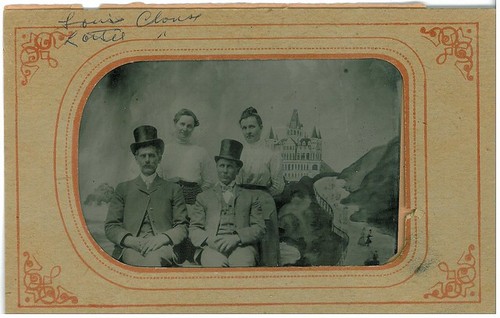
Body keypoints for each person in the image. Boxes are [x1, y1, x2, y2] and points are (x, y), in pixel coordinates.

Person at [105, 125, 189, 267]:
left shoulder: (174, 189)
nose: (147, 160)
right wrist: (130, 240)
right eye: (143, 156)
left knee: (153, 261)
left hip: (162, 247)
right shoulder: (123, 188)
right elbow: (111, 226)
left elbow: (182, 227)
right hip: (131, 247)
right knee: (135, 262)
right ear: (136, 159)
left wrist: (163, 238)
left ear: (159, 158)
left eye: (152, 155)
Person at [189, 139, 265, 267]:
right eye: (221, 166)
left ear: (237, 170)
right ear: (217, 167)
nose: (225, 170)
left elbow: (260, 228)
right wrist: (209, 240)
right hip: (212, 246)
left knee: (242, 263)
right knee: (216, 265)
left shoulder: (251, 197)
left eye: (229, 166)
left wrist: (237, 238)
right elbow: (194, 229)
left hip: (242, 247)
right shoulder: (203, 197)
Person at [237, 107, 284, 266]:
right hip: (241, 202)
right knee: (244, 249)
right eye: (244, 128)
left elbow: (278, 186)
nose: (248, 131)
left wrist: (261, 196)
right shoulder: (239, 153)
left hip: (264, 202)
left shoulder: (271, 153)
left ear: (261, 127)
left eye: (252, 127)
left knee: (266, 249)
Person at [160, 109, 216, 205]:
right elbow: (158, 177)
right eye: (182, 124)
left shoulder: (200, 152)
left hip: (193, 200)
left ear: (193, 128)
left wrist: (197, 196)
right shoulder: (163, 150)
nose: (185, 129)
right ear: (175, 124)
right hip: (168, 198)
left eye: (189, 126)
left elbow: (209, 181)